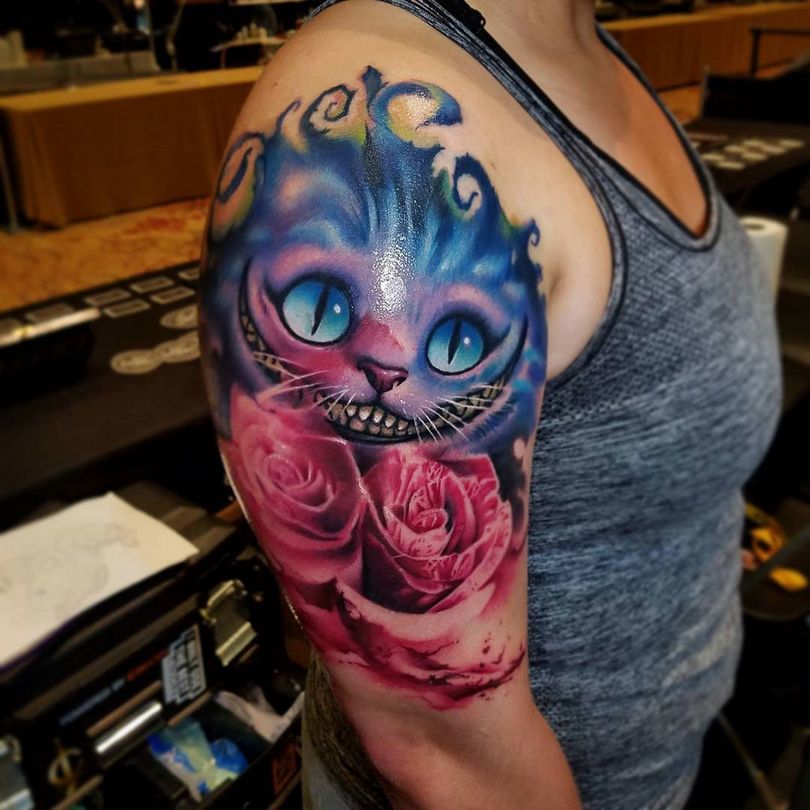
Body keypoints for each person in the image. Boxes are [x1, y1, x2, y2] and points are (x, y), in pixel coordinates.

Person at [197, 0, 782, 807]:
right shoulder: (395, 121)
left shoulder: (579, 47)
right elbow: (439, 752)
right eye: (322, 308)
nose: (387, 368)